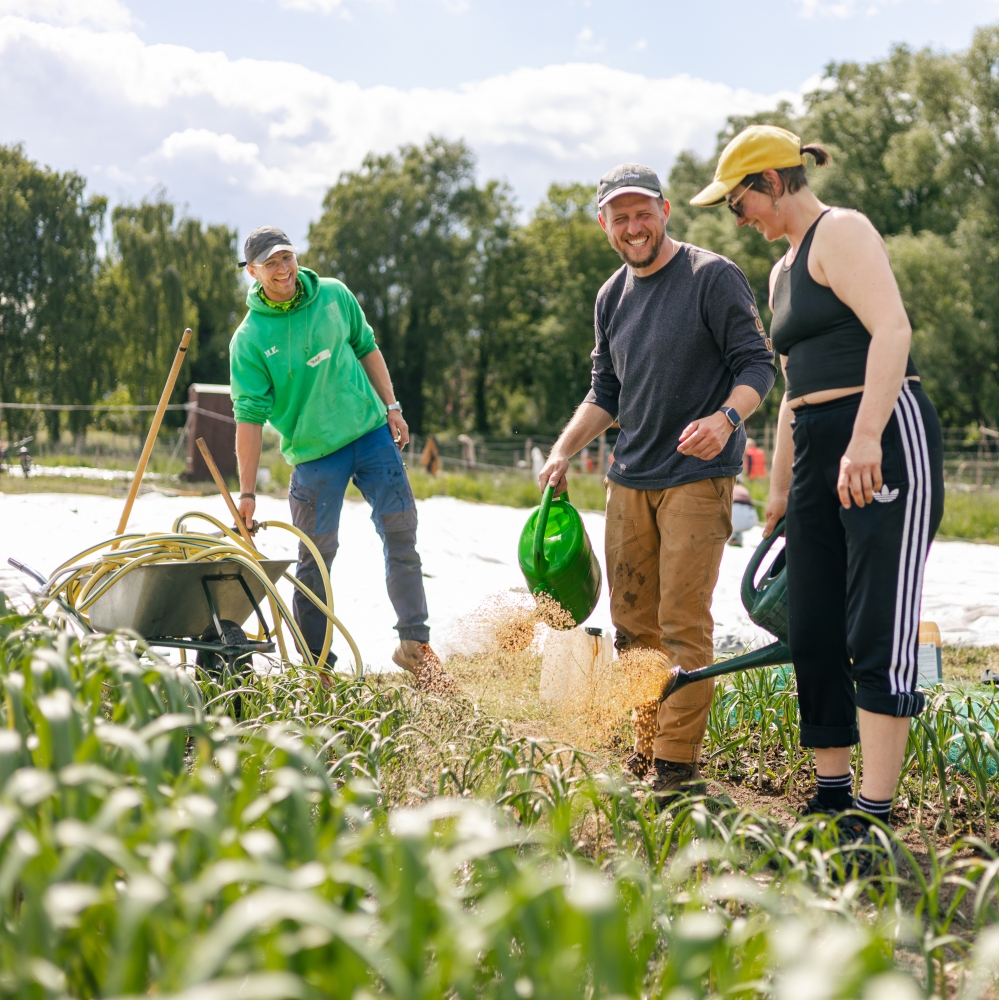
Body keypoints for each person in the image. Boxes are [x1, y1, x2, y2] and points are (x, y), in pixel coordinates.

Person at [690, 125, 944, 857]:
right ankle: (831, 792)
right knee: (814, 622)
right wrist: (778, 495)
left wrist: (866, 437)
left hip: (882, 430)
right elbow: (794, 393)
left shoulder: (843, 231)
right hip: (816, 449)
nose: (740, 221)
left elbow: (891, 332)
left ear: (771, 182)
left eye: (739, 205)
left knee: (875, 623)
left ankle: (873, 812)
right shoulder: (779, 273)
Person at [538, 163, 776, 795]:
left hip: (699, 475)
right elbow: (605, 392)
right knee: (632, 622)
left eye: (644, 213)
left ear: (666, 211)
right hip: (629, 478)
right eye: (621, 217)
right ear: (604, 225)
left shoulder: (712, 277)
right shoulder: (610, 296)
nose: (634, 226)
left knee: (681, 620)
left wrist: (727, 419)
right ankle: (643, 750)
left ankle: (676, 767)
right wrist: (563, 451)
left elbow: (758, 365)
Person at [229, 226, 440, 681]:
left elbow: (367, 348)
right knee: (315, 559)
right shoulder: (248, 339)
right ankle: (319, 666)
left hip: (370, 435)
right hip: (314, 456)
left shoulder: (334, 295)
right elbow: (247, 417)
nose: (283, 268)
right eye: (271, 263)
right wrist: (246, 492)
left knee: (401, 532)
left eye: (287, 257)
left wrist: (392, 406)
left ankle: (415, 645)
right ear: (252, 272)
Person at [729, 482, 757, 547]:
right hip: (749, 519)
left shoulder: (732, 488)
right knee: (737, 527)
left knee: (733, 526)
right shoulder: (744, 489)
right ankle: (736, 540)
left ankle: (733, 540)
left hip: (734, 514)